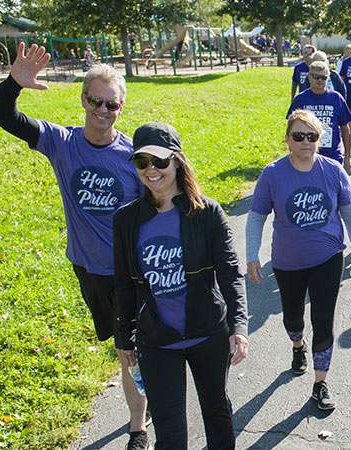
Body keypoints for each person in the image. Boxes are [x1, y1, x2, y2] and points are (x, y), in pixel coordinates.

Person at [0, 43, 149, 449]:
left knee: (130, 350)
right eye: (95, 100)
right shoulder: (61, 142)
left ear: (121, 109)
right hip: (88, 268)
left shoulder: (133, 156)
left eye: (111, 105)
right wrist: (13, 84)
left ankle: (138, 427)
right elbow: (1, 115)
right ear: (83, 99)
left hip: (129, 271)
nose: (102, 110)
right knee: (119, 344)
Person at [114, 122, 248, 449]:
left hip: (208, 333)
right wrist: (124, 337)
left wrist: (239, 325)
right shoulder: (126, 220)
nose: (152, 170)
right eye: (142, 162)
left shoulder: (207, 213)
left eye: (160, 161)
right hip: (157, 341)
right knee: (170, 434)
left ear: (177, 161)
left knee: (217, 415)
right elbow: (123, 284)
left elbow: (231, 273)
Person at [246, 109, 351, 411]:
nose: (305, 142)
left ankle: (320, 382)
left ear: (320, 139)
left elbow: (350, 216)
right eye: (298, 136)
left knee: (323, 320)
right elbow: (256, 217)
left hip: (328, 257)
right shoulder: (273, 174)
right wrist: (252, 256)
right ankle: (297, 345)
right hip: (287, 262)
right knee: (292, 318)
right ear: (287, 139)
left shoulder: (333, 170)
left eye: (311, 136)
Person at [288, 61, 351, 172]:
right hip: (306, 156)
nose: (320, 80)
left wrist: (347, 157)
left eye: (324, 77)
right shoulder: (300, 99)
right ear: (309, 77)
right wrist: (292, 155)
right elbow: (290, 130)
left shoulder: (336, 98)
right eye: (316, 77)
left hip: (332, 157)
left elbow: (345, 129)